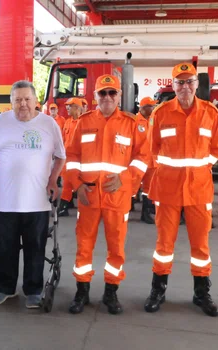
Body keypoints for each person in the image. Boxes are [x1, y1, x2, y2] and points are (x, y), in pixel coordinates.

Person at [144, 62, 218, 316]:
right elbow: (152, 148)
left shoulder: (210, 113)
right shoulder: (162, 112)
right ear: (174, 86)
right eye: (180, 82)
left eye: (189, 82)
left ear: (196, 85)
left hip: (199, 190)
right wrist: (167, 169)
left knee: (200, 246)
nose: (185, 87)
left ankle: (201, 293)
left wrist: (202, 168)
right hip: (167, 189)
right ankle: (158, 290)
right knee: (164, 244)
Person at [66, 74, 150, 315]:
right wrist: (77, 185)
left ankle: (111, 292)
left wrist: (125, 179)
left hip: (117, 197)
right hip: (88, 196)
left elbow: (143, 157)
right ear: (94, 97)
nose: (107, 97)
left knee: (116, 248)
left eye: (112, 92)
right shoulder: (83, 122)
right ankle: (82, 291)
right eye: (102, 93)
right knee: (84, 246)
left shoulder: (131, 123)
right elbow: (72, 157)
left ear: (119, 96)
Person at [0, 80, 65, 308]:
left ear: (36, 101)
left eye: (27, 99)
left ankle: (33, 290)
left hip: (37, 201)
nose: (23, 104)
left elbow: (60, 155)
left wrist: (53, 180)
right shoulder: (0, 122)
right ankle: (6, 288)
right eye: (17, 99)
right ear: (11, 102)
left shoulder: (49, 124)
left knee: (35, 248)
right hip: (6, 202)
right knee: (5, 247)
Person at [57, 98, 83, 217]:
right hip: (67, 158)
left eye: (70, 106)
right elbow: (63, 139)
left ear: (77, 108)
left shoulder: (83, 122)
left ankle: (63, 206)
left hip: (79, 160)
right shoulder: (68, 122)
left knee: (68, 182)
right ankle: (66, 204)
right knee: (67, 181)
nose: (67, 108)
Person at [137, 96, 157, 224]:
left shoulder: (152, 120)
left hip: (151, 161)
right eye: (151, 106)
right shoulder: (134, 121)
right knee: (133, 186)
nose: (153, 108)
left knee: (148, 188)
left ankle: (146, 212)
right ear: (144, 108)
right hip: (138, 161)